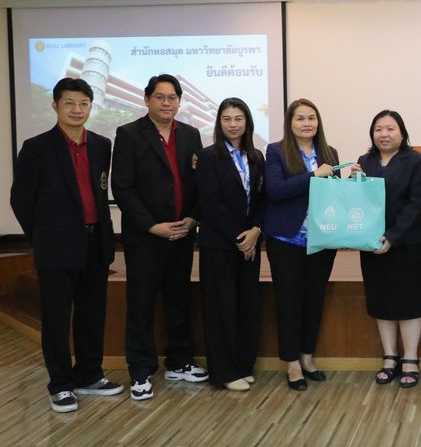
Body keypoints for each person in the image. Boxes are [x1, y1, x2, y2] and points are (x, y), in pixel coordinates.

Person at [10, 78, 123, 413]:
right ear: (55, 106)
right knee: (57, 319)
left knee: (92, 315)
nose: (77, 109)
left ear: (91, 107)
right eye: (69, 103)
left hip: (96, 243)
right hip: (56, 248)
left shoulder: (101, 144)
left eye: (84, 103)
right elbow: (21, 200)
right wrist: (43, 237)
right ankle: (60, 384)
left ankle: (89, 375)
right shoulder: (36, 147)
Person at [111, 74, 208, 401]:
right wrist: (152, 226)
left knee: (178, 299)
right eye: (160, 97)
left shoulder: (191, 134)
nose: (167, 103)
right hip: (146, 237)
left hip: (182, 232)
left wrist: (193, 217)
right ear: (147, 99)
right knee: (141, 303)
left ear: (179, 102)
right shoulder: (129, 134)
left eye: (172, 98)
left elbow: (199, 181)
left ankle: (179, 361)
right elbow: (122, 187)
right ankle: (140, 370)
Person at [264, 98, 339, 391]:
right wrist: (312, 176)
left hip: (322, 240)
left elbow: (334, 195)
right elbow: (275, 191)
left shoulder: (329, 153)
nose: (307, 123)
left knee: (314, 299)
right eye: (300, 118)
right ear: (290, 123)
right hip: (286, 239)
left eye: (311, 118)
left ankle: (307, 356)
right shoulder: (276, 151)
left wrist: (352, 179)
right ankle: (291, 362)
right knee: (289, 301)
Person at [355, 110, 421, 388]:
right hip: (371, 243)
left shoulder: (416, 161)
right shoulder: (364, 161)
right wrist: (353, 182)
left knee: (409, 301)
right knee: (381, 300)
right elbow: (358, 203)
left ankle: (410, 358)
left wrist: (392, 236)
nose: (384, 134)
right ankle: (390, 357)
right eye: (378, 129)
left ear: (402, 133)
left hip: (406, 242)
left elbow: (416, 203)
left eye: (390, 128)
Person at [197, 98, 266, 392]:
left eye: (239, 118)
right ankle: (224, 372)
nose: (233, 124)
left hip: (250, 242)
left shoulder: (256, 156)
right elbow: (210, 204)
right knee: (221, 308)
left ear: (247, 122)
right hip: (220, 244)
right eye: (227, 119)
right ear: (219, 123)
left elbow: (263, 198)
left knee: (246, 306)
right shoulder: (208, 156)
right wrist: (241, 238)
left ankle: (242, 365)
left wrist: (255, 232)